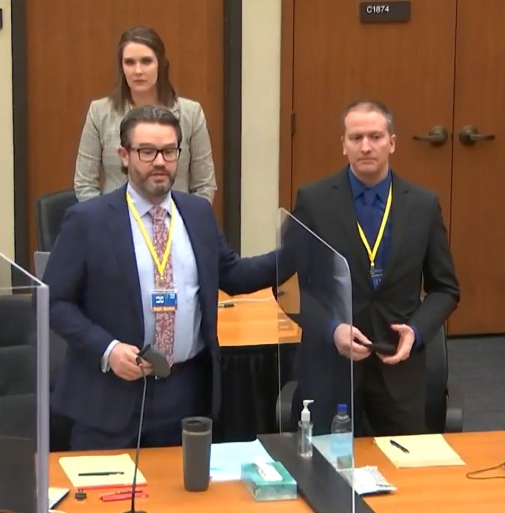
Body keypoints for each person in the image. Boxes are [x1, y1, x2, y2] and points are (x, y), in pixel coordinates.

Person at [44, 105, 275, 450]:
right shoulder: (87, 221)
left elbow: (233, 274)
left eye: (169, 151)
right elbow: (53, 302)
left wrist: (297, 253)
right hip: (109, 398)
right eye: (147, 151)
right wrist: (107, 350)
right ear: (124, 156)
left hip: (183, 393)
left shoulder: (197, 213)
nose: (160, 162)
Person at [289, 100, 460, 436]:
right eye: (355, 138)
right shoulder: (313, 200)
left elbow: (446, 288)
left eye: (375, 136)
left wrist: (417, 330)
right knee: (324, 473)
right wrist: (331, 329)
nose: (365, 146)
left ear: (392, 142)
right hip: (332, 366)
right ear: (343, 145)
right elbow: (291, 286)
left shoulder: (423, 205)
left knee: (407, 478)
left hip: (399, 367)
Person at [73, 26, 217, 203]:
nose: (138, 71)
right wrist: (106, 223)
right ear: (121, 67)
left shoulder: (191, 114)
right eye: (130, 62)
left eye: (146, 61)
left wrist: (186, 222)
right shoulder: (100, 112)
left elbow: (204, 186)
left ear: (160, 65)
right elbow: (84, 184)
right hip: (117, 224)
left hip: (174, 222)